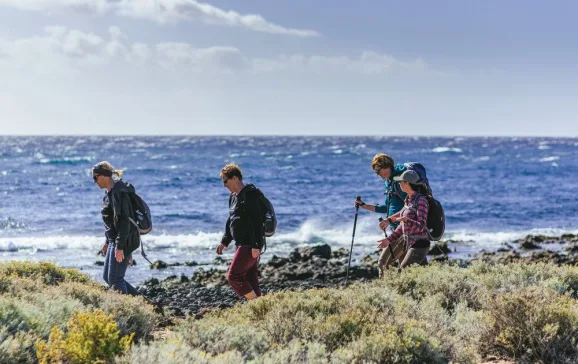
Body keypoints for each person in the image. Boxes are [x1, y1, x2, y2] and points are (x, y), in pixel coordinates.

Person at [216, 163, 264, 301]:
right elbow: (231, 220)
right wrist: (225, 242)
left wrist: (256, 245)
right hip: (241, 244)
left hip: (249, 245)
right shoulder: (233, 197)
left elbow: (257, 221)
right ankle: (261, 311)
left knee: (233, 276)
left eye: (225, 181)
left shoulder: (250, 195)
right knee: (250, 278)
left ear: (235, 178)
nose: (224, 185)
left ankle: (255, 304)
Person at [354, 153, 407, 277]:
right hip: (396, 229)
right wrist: (364, 205)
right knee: (406, 267)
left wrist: (389, 220)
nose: (378, 174)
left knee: (383, 263)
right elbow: (386, 208)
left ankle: (387, 294)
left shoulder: (399, 181)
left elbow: (410, 206)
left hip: (404, 229)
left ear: (387, 166)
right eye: (376, 172)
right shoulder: (389, 182)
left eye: (379, 170)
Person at [93, 161, 140, 295]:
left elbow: (124, 221)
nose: (95, 181)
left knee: (115, 279)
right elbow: (112, 223)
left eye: (95, 177)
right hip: (116, 240)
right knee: (108, 278)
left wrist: (121, 247)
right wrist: (107, 242)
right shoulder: (110, 193)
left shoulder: (118, 193)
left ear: (105, 176)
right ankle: (145, 304)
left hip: (122, 240)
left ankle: (130, 309)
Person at [376, 170, 430, 268]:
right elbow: (402, 227)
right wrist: (388, 239)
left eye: (401, 181)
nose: (399, 183)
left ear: (407, 183)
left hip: (420, 245)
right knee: (421, 274)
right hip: (408, 242)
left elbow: (421, 226)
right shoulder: (407, 200)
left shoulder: (421, 201)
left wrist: (406, 220)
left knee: (404, 272)